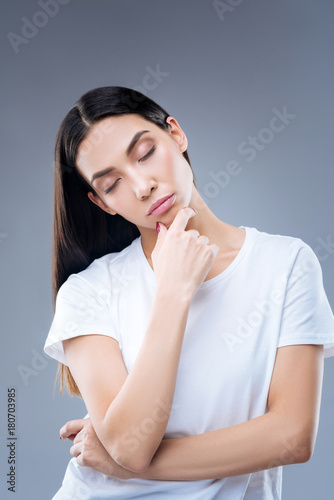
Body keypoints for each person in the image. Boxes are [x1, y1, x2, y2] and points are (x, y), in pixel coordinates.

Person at [43, 85, 334, 500]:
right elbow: (130, 444)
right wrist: (173, 294)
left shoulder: (286, 264)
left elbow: (292, 437)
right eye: (112, 184)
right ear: (102, 203)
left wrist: (125, 466)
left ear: (176, 134)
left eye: (144, 153)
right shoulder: (88, 291)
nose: (142, 185)